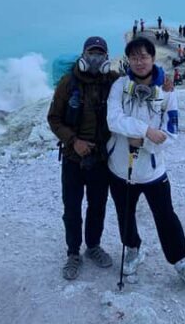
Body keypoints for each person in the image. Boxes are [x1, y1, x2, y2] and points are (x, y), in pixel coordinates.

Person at [106, 37, 185, 291]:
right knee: (124, 214)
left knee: (166, 217)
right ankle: (133, 249)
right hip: (120, 168)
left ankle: (181, 262)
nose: (140, 62)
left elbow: (170, 132)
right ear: (129, 60)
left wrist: (144, 141)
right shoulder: (119, 86)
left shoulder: (167, 92)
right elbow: (113, 120)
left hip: (152, 170)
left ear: (152, 58)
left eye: (144, 56)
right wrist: (146, 130)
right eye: (134, 57)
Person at [47, 36, 118, 280]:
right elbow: (53, 119)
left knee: (97, 206)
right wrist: (73, 141)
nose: (96, 57)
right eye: (92, 53)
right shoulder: (69, 83)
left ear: (107, 57)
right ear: (84, 55)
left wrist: (164, 84)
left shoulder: (113, 81)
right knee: (72, 208)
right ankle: (73, 253)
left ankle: (93, 246)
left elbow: (140, 86)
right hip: (72, 158)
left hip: (101, 159)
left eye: (100, 53)